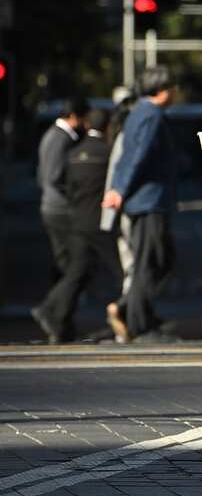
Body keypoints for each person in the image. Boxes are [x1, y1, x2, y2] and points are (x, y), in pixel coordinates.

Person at [102, 69, 179, 342]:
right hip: (148, 201)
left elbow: (129, 155)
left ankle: (130, 309)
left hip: (144, 200)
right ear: (162, 89)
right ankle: (137, 321)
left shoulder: (139, 112)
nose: (176, 93)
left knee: (159, 259)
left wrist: (119, 190)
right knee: (151, 262)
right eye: (173, 87)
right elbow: (137, 155)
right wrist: (120, 190)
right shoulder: (151, 115)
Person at [31, 108, 115, 343]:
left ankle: (57, 318)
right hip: (71, 213)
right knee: (84, 267)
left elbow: (47, 177)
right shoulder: (67, 141)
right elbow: (54, 178)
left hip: (68, 213)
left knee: (77, 266)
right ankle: (53, 312)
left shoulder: (64, 144)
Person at [36, 98, 88, 287]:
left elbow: (42, 176)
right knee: (76, 260)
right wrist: (75, 193)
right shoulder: (63, 138)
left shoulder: (51, 135)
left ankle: (56, 306)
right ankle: (55, 307)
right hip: (60, 207)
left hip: (50, 204)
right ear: (74, 116)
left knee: (63, 258)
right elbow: (54, 176)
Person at [103, 87, 137, 342]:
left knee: (130, 265)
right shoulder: (128, 134)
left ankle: (126, 314)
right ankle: (124, 309)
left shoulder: (114, 130)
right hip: (128, 209)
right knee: (136, 266)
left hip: (117, 210)